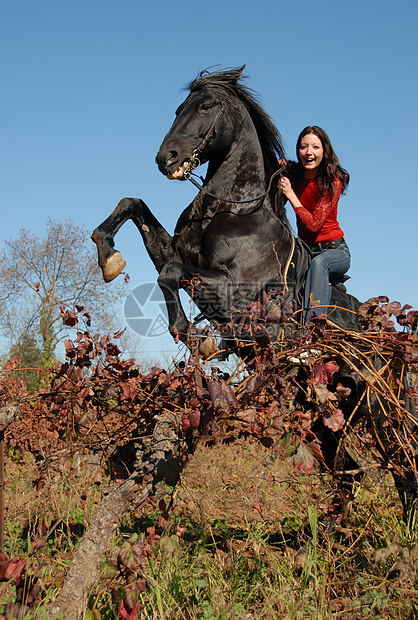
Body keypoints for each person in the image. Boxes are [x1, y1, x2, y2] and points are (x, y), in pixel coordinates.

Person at [278, 125, 350, 322]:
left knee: (320, 264)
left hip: (334, 251)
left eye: (315, 147)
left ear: (324, 151)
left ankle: (312, 333)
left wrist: (290, 194)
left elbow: (313, 225)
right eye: (303, 147)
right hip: (305, 251)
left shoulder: (332, 181)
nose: (309, 152)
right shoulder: (295, 173)